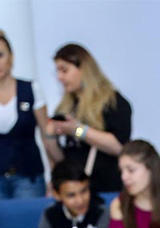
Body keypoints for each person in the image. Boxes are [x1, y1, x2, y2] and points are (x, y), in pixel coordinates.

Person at [0, 28, 53, 201]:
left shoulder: (31, 89)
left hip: (28, 176)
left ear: (11, 57)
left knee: (28, 224)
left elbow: (47, 136)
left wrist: (55, 175)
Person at [44, 43, 133, 195]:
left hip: (106, 188)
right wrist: (50, 136)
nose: (60, 78)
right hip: (75, 193)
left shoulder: (113, 102)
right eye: (57, 71)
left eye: (64, 70)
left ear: (83, 69)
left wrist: (77, 130)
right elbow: (61, 159)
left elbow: (118, 146)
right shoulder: (66, 107)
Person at [36, 159, 110, 228]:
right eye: (71, 195)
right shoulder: (50, 215)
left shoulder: (101, 212)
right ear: (56, 194)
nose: (80, 200)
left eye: (84, 191)